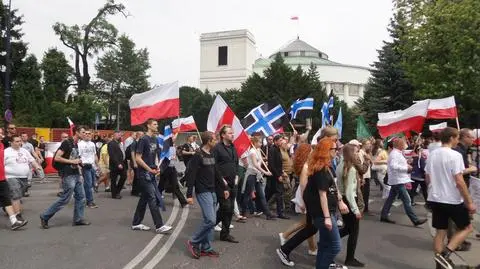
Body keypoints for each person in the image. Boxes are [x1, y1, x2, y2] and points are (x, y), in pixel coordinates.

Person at [425, 127, 476, 269]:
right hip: (452, 199)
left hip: (435, 198)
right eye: (457, 137)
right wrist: (469, 202)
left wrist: (434, 189)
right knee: (467, 228)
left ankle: (439, 265)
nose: (457, 140)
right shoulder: (455, 155)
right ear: (452, 138)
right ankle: (445, 255)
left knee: (440, 232)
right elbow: (459, 181)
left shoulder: (432, 154)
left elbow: (428, 177)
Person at [303, 138, 349, 269]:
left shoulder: (327, 167)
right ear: (326, 151)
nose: (337, 151)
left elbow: (333, 187)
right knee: (335, 246)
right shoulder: (320, 170)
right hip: (323, 213)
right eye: (335, 149)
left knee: (324, 244)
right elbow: (322, 195)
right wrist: (327, 217)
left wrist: (340, 201)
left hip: (329, 211)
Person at [185, 131, 228, 259]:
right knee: (210, 220)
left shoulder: (211, 154)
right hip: (203, 191)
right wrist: (189, 194)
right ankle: (193, 242)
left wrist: (224, 187)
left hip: (213, 190)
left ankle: (206, 248)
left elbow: (217, 173)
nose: (216, 141)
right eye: (214, 139)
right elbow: (191, 175)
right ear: (209, 141)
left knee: (209, 222)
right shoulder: (198, 155)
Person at [40, 126, 90, 229]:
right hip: (68, 174)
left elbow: (73, 157)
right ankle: (45, 216)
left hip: (75, 173)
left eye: (86, 133)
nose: (85, 134)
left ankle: (78, 219)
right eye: (83, 132)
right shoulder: (67, 142)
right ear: (77, 132)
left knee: (81, 197)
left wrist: (80, 164)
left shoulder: (75, 144)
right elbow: (57, 158)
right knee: (65, 199)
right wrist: (72, 162)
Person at [131, 119, 172, 234]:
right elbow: (138, 158)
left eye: (157, 124)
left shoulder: (154, 139)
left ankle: (136, 223)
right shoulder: (143, 139)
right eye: (154, 124)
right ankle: (159, 225)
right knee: (152, 198)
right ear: (148, 126)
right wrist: (149, 169)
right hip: (144, 174)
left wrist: (157, 167)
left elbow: (155, 155)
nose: (157, 126)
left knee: (144, 199)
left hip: (151, 172)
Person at [278, 144, 316, 257]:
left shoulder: (305, 164)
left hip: (305, 193)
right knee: (308, 223)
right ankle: (285, 235)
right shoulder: (306, 165)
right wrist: (305, 202)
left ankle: (312, 248)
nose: (313, 152)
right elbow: (304, 185)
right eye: (311, 151)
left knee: (309, 224)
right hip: (305, 193)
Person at [380, 137, 427, 226]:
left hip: (397, 179)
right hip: (397, 180)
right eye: (403, 143)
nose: (405, 145)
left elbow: (397, 164)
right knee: (407, 200)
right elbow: (394, 166)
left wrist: (406, 162)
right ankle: (415, 220)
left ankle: (384, 215)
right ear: (399, 145)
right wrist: (406, 168)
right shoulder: (395, 154)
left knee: (391, 199)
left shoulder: (397, 153)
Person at [336, 144, 365, 267]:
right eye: (356, 152)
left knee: (348, 228)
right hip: (350, 200)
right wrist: (356, 210)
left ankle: (328, 239)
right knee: (354, 231)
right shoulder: (351, 169)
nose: (357, 154)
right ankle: (350, 258)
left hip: (343, 199)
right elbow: (349, 192)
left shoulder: (340, 165)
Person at [5, 135, 44, 223]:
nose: (19, 143)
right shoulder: (6, 152)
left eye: (20, 141)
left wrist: (37, 167)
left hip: (24, 177)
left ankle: (9, 207)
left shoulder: (24, 151)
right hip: (11, 177)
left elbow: (32, 160)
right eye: (17, 141)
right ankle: (17, 216)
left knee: (20, 194)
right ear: (11, 142)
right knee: (16, 195)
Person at [213, 125, 239, 243]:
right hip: (222, 183)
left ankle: (225, 234)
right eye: (229, 133)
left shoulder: (233, 147)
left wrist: (238, 175)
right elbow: (214, 166)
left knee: (230, 208)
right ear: (223, 135)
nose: (232, 135)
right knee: (226, 207)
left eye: (232, 133)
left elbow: (236, 163)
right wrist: (221, 179)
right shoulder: (217, 148)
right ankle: (210, 224)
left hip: (233, 182)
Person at [0, 128, 28, 230]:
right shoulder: (6, 149)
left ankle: (14, 221)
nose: (1, 135)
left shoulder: (2, 145)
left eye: (1, 133)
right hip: (8, 177)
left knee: (7, 200)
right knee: (10, 197)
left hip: (2, 177)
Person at [242, 136, 275, 219]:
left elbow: (260, 162)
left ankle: (268, 214)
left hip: (257, 175)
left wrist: (264, 163)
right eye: (259, 142)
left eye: (261, 142)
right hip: (251, 175)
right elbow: (255, 164)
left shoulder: (258, 150)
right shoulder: (252, 151)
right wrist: (265, 172)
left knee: (261, 195)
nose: (261, 144)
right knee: (247, 194)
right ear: (255, 143)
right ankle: (243, 212)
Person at [268, 135, 289, 219]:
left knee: (275, 193)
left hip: (279, 174)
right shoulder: (272, 150)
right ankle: (280, 213)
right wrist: (278, 175)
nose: (281, 142)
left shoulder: (278, 149)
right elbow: (272, 165)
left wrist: (282, 171)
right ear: (275, 141)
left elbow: (279, 163)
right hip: (275, 176)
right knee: (278, 193)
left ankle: (264, 207)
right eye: (280, 140)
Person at [78, 129, 99, 208]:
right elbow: (79, 155)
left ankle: (81, 196)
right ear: (83, 135)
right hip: (85, 166)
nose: (87, 135)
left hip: (92, 166)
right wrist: (81, 165)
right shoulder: (80, 144)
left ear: (91, 135)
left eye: (89, 134)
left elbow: (95, 155)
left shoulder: (92, 144)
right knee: (88, 184)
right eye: (85, 133)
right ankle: (89, 202)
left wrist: (97, 166)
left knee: (93, 184)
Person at [108, 131, 127, 199]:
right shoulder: (111, 143)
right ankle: (114, 194)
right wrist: (117, 163)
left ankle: (117, 191)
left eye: (120, 135)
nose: (120, 136)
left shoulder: (120, 143)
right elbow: (112, 155)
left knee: (124, 176)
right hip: (115, 165)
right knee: (113, 180)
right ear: (114, 135)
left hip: (122, 163)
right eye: (118, 135)